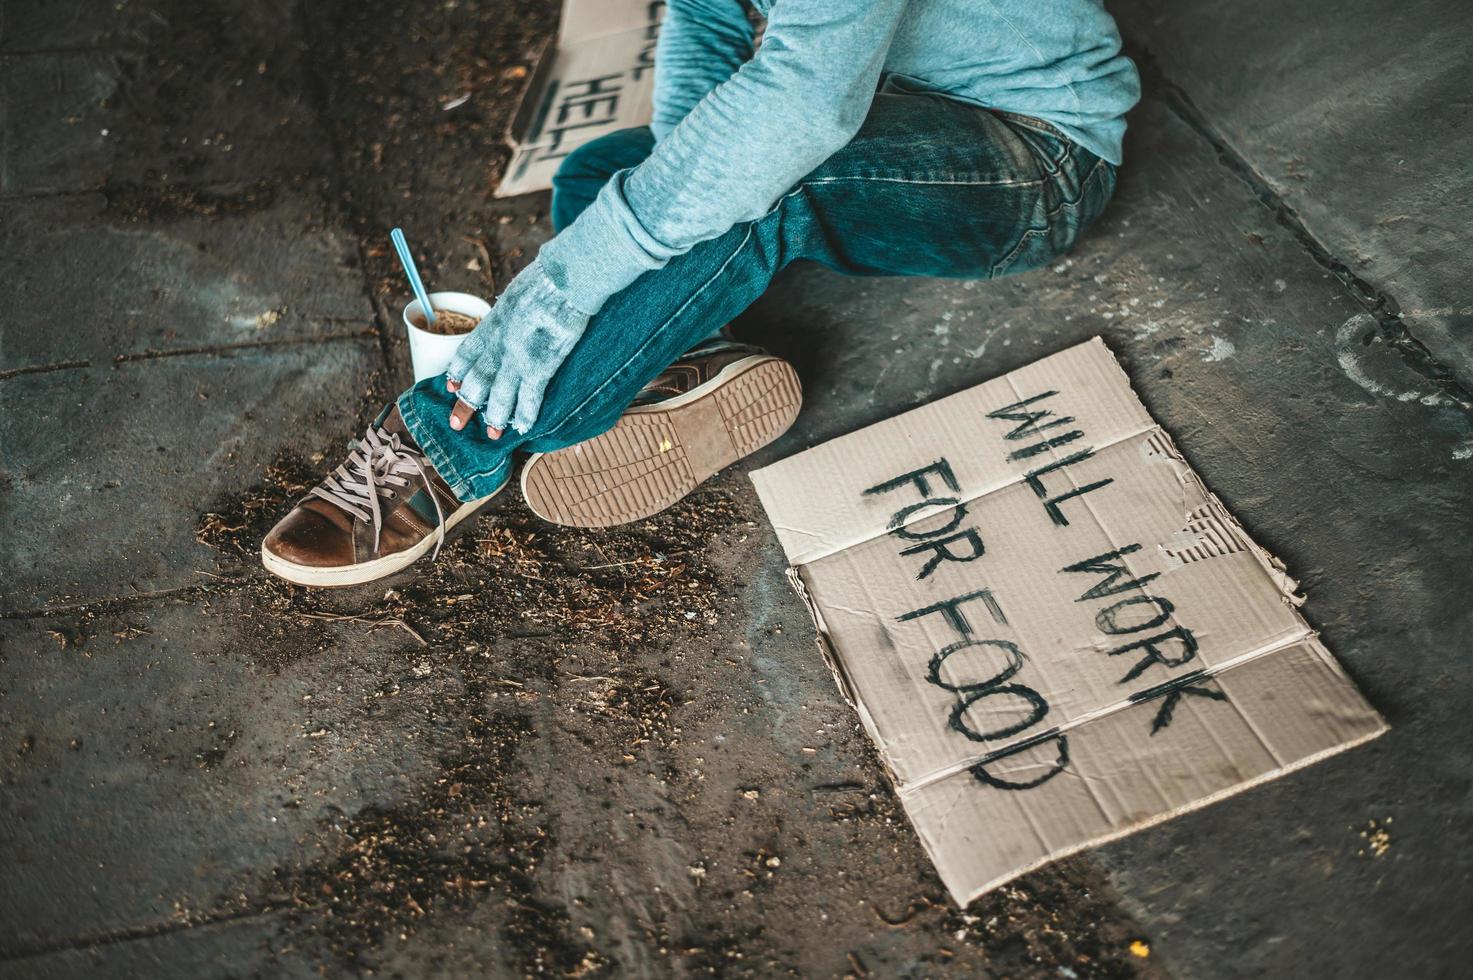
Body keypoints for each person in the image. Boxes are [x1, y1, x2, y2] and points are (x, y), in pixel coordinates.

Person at [260, 0, 1139, 587]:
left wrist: (570, 282)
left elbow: (803, 103)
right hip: (884, 98)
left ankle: (448, 449)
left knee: (767, 182)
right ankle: (688, 357)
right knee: (611, 171)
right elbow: (708, 14)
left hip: (1031, 153)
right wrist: (676, 205)